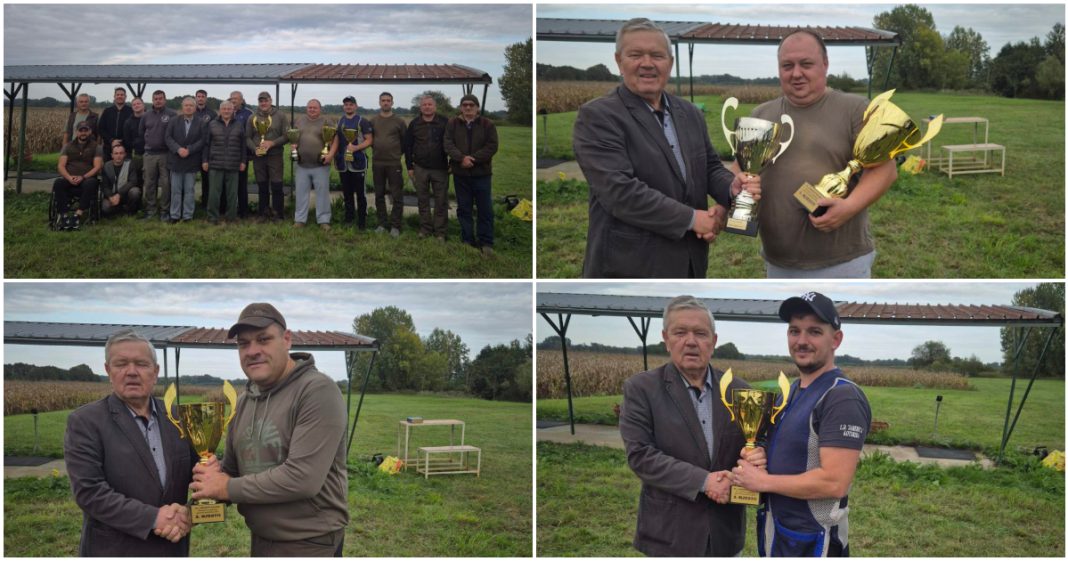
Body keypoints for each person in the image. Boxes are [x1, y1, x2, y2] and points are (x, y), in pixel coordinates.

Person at [572, 18, 758, 278]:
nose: (647, 63)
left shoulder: (690, 113)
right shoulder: (598, 116)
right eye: (635, 54)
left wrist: (730, 187)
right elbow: (619, 192)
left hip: (690, 263)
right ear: (619, 61)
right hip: (631, 266)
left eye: (657, 55)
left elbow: (709, 167)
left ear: (669, 63)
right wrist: (693, 218)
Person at [191, 303, 348, 556]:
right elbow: (232, 470)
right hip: (261, 539)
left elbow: (302, 479)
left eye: (263, 339)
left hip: (309, 543)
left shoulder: (317, 391)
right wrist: (206, 484)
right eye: (244, 344)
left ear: (287, 340)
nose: (253, 351)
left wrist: (225, 487)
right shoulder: (244, 401)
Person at [619, 295, 765, 556]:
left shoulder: (740, 391)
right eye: (680, 332)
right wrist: (704, 481)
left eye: (700, 333)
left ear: (714, 341)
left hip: (725, 533)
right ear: (666, 339)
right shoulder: (641, 389)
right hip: (669, 536)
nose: (691, 341)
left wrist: (759, 454)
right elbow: (640, 456)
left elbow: (759, 441)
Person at [730, 291, 871, 557]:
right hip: (779, 529)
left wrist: (764, 481)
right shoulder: (791, 391)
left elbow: (834, 482)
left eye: (814, 332)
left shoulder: (841, 397)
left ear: (836, 339)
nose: (801, 341)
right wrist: (760, 454)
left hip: (815, 538)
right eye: (794, 331)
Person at [749, 30, 897, 278]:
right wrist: (732, 190)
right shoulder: (761, 115)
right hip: (778, 263)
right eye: (787, 66)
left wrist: (849, 207)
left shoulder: (857, 110)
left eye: (806, 64)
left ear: (825, 65)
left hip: (842, 264)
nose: (796, 73)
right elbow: (742, 170)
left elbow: (885, 169)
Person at [64, 329, 198, 556]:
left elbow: (201, 473)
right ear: (108, 370)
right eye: (121, 364)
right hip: (115, 550)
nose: (132, 372)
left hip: (172, 548)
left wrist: (191, 514)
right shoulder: (85, 422)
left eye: (142, 364)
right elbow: (90, 492)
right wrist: (153, 518)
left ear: (155, 372)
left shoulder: (180, 418)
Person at [445, 94, 499, 255]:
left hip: (481, 174)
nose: (468, 108)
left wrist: (473, 159)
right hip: (460, 174)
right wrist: (461, 158)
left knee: (485, 209)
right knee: (464, 208)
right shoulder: (453, 123)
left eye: (471, 105)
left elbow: (492, 146)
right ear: (461, 107)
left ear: (477, 108)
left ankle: (486, 241)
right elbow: (448, 143)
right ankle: (467, 239)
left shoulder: (487, 124)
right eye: (465, 105)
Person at [404, 95, 450, 241]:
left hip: (441, 168)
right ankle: (425, 229)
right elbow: (408, 146)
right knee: (422, 199)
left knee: (441, 200)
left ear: (435, 107)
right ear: (420, 107)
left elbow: (453, 143)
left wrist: (453, 163)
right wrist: (410, 166)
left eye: (430, 104)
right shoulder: (415, 124)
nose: (427, 107)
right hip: (420, 168)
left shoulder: (445, 122)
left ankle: (440, 232)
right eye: (424, 105)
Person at [292, 99, 337, 230]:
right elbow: (293, 137)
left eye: (315, 108)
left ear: (320, 109)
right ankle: (300, 219)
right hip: (302, 164)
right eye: (310, 107)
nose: (312, 110)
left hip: (321, 165)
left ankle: (323, 220)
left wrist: (331, 155)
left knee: (322, 193)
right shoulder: (299, 120)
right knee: (301, 193)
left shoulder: (326, 121)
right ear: (307, 108)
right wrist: (293, 146)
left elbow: (335, 139)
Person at [202, 100, 247, 225]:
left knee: (232, 194)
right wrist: (205, 160)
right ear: (220, 110)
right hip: (215, 164)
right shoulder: (212, 124)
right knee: (214, 194)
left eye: (229, 109)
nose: (226, 111)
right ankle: (212, 218)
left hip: (233, 164)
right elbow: (206, 144)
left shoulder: (239, 125)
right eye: (224, 109)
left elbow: (243, 145)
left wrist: (243, 161)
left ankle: (231, 218)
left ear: (233, 110)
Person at [246, 91, 289, 222]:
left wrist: (273, 143)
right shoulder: (252, 117)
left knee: (277, 185)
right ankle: (262, 214)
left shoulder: (281, 116)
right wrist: (255, 149)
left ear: (271, 101)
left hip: (275, 156)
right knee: (262, 186)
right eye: (261, 101)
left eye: (266, 100)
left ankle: (278, 214)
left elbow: (287, 136)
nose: (263, 103)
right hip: (259, 157)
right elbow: (247, 137)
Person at [52, 122, 103, 231]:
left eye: (86, 130)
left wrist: (83, 177)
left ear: (89, 131)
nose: (83, 133)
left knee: (91, 183)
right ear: (77, 132)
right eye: (81, 130)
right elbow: (61, 166)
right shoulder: (68, 146)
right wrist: (69, 177)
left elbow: (97, 167)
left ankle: (77, 215)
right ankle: (64, 216)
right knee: (58, 183)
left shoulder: (96, 147)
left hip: (86, 179)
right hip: (70, 178)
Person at [370, 91, 407, 237]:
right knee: (379, 194)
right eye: (383, 100)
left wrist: (396, 154)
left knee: (397, 194)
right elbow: (370, 140)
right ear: (379, 103)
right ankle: (381, 224)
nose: (385, 103)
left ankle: (396, 226)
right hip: (378, 163)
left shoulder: (399, 121)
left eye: (388, 100)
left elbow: (405, 142)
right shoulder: (373, 121)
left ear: (392, 103)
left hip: (394, 164)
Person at [333, 95, 374, 228]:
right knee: (347, 192)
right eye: (346, 104)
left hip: (358, 162)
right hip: (343, 163)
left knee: (360, 193)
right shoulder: (340, 121)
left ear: (356, 106)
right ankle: (349, 219)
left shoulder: (362, 121)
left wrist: (356, 147)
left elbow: (369, 140)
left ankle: (362, 220)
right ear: (343, 107)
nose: (348, 107)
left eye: (351, 104)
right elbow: (337, 139)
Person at [165, 97, 207, 223]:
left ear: (195, 108)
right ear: (182, 107)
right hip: (176, 160)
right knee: (175, 190)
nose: (188, 107)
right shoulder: (173, 121)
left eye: (191, 105)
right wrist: (178, 149)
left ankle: (188, 215)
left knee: (189, 190)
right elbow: (167, 137)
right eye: (186, 105)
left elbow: (203, 140)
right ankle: (175, 215)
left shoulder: (201, 122)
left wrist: (189, 150)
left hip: (191, 161)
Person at [139, 90, 176, 221]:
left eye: (160, 98)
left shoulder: (172, 114)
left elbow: (175, 133)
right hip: (149, 154)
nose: (158, 100)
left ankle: (165, 211)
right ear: (152, 100)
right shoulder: (146, 115)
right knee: (149, 183)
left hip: (166, 154)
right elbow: (142, 132)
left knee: (166, 184)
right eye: (155, 98)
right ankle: (150, 210)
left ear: (165, 100)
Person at [230, 91, 254, 219]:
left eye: (236, 99)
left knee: (241, 184)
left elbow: (250, 135)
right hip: (228, 154)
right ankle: (229, 209)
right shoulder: (226, 110)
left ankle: (243, 212)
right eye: (232, 98)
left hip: (242, 155)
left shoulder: (248, 114)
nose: (233, 101)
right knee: (229, 183)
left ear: (242, 100)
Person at [100, 143, 142, 217]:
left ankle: (130, 211)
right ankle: (121, 210)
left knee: (135, 192)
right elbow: (104, 185)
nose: (118, 156)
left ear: (125, 154)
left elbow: (133, 181)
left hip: (125, 195)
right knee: (105, 208)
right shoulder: (106, 166)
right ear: (112, 155)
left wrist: (119, 194)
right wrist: (111, 196)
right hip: (111, 195)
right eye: (116, 153)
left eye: (121, 153)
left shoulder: (130, 164)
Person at [195, 89, 217, 209]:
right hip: (193, 151)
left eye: (203, 96)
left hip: (207, 150)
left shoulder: (212, 114)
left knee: (206, 180)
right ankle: (189, 204)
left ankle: (205, 204)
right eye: (198, 96)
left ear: (206, 98)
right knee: (189, 179)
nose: (200, 98)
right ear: (195, 98)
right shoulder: (191, 111)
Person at [98, 87, 132, 152]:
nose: (120, 96)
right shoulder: (107, 111)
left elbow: (132, 130)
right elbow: (101, 128)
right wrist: (111, 140)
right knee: (108, 163)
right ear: (114, 96)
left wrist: (122, 141)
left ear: (125, 96)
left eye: (122, 95)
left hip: (126, 148)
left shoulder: (131, 111)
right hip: (109, 147)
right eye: (118, 95)